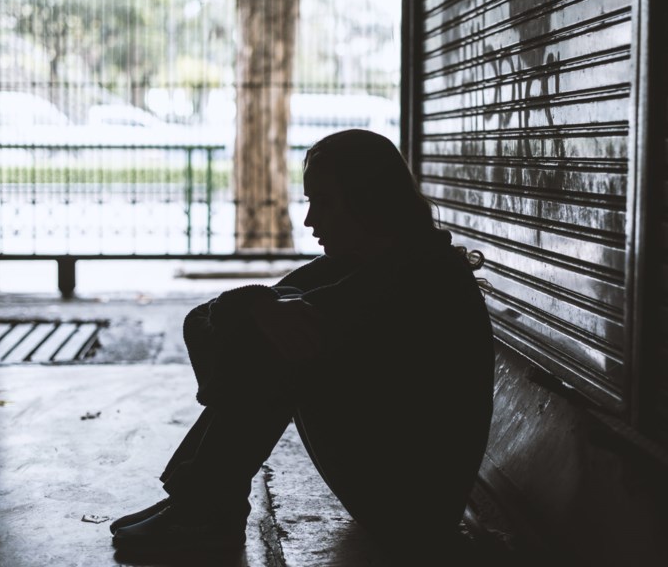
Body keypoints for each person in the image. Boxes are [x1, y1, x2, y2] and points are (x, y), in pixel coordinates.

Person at [110, 129, 495, 558]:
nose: (310, 221)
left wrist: (249, 320)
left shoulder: (416, 277)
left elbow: (226, 332)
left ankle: (206, 505)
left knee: (282, 338)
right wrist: (254, 309)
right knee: (277, 324)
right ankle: (202, 500)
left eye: (322, 202)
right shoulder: (366, 263)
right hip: (397, 492)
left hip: (413, 508)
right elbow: (201, 321)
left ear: (367, 200)